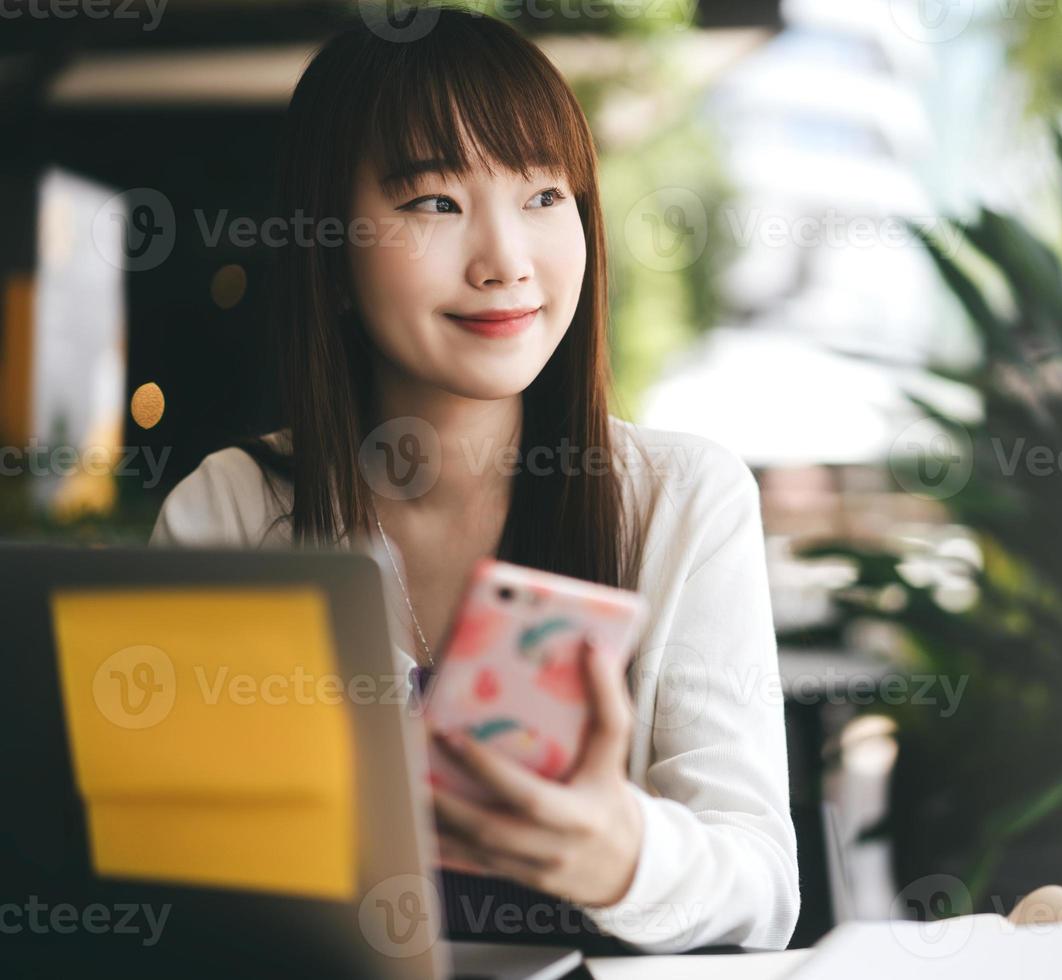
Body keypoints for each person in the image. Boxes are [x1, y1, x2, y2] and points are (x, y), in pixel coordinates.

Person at [148, 6, 798, 955]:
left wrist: (623, 855)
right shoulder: (229, 509)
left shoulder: (683, 501)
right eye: (434, 204)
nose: (506, 262)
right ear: (327, 246)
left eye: (544, 196)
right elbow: (169, 867)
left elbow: (763, 885)